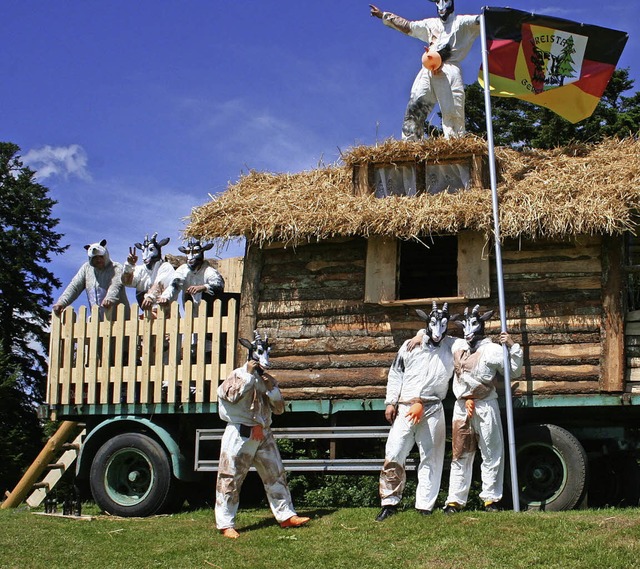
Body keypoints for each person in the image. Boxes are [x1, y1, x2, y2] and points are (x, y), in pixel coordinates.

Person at [376, 302, 467, 521]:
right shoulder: (410, 345)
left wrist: (425, 335)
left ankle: (424, 505)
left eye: (443, 325)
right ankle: (389, 502)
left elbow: (465, 344)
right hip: (406, 407)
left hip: (432, 408)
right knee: (395, 451)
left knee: (431, 456)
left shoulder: (451, 345)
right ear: (426, 323)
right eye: (433, 324)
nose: (438, 330)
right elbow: (396, 373)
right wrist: (391, 402)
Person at [215, 332, 310, 538]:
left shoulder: (266, 379)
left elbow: (279, 409)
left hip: (263, 433)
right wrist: (249, 376)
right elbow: (229, 395)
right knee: (230, 477)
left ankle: (286, 515)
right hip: (240, 434)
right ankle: (225, 523)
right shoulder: (238, 374)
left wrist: (271, 389)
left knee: (275, 473)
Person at [443, 305, 523, 513]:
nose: (468, 330)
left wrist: (513, 346)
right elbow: (435, 336)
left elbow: (513, 372)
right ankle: (455, 501)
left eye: (473, 324)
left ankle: (491, 499)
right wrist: (418, 335)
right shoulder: (458, 346)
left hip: (485, 405)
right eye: (465, 325)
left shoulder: (492, 350)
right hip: (462, 407)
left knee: (491, 451)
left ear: (481, 325)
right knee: (460, 452)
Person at [370, 1, 479, 140]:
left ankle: (455, 144)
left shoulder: (463, 22)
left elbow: (481, 20)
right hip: (428, 69)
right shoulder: (431, 24)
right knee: (416, 105)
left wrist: (494, 17)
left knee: (452, 111)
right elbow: (409, 27)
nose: (441, 6)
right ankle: (410, 145)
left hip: (449, 70)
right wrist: (383, 15)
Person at [53, 239, 129, 318]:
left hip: (120, 320)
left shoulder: (116, 267)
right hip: (96, 321)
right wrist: (61, 302)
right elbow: (74, 287)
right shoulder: (86, 269)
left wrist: (110, 298)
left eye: (101, 257)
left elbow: (116, 284)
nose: (98, 260)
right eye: (95, 258)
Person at [121, 233, 178, 310]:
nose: (145, 255)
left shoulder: (165, 267)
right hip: (146, 311)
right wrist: (129, 266)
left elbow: (161, 283)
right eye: (144, 250)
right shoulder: (140, 270)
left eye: (151, 250)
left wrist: (151, 297)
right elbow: (127, 282)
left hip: (164, 311)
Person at [175, 238, 225, 310]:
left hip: (209, 314)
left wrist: (204, 287)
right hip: (190, 313)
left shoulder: (210, 272)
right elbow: (174, 284)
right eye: (188, 252)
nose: (191, 257)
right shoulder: (182, 270)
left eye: (195, 252)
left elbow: (219, 285)